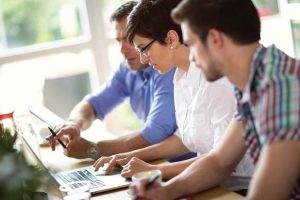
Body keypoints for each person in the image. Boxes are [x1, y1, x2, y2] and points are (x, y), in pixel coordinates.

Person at [131, 0, 300, 199]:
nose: (191, 58)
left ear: (214, 39)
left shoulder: (280, 86)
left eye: (192, 44)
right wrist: (166, 191)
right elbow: (220, 161)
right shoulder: (255, 80)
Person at [93, 0, 253, 194]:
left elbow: (221, 160)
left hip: (239, 189)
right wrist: (128, 157)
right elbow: (185, 138)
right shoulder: (179, 75)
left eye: (144, 48)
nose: (143, 58)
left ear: (171, 39)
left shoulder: (217, 78)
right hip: (209, 185)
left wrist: (155, 170)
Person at [47, 1, 194, 161]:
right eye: (119, 40)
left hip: (180, 167)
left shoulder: (169, 68)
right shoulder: (129, 69)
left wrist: (93, 150)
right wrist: (74, 124)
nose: (123, 49)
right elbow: (94, 103)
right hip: (160, 166)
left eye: (131, 41)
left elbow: (153, 136)